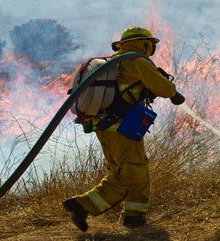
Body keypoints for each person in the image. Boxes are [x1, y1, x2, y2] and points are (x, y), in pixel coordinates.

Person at [62, 26, 185, 232]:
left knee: (134, 168)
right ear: (144, 44)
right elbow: (164, 88)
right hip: (121, 126)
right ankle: (82, 205)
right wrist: (173, 92)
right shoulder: (137, 61)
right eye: (151, 45)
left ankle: (134, 217)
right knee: (132, 171)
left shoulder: (114, 63)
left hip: (105, 127)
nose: (152, 49)